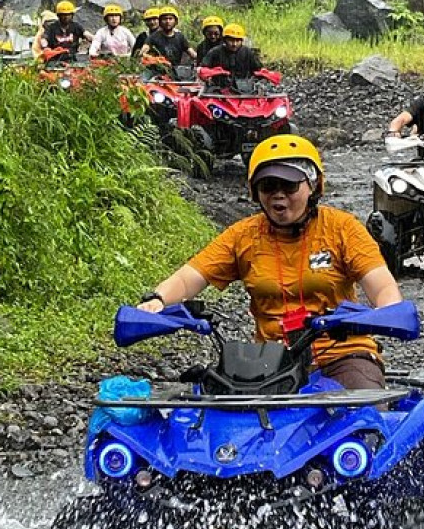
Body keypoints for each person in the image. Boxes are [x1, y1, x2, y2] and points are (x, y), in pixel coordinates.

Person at [137, 135, 402, 390]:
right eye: (268, 186)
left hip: (342, 354)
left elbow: (380, 285)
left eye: (289, 186)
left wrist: (389, 312)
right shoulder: (243, 236)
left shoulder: (343, 228)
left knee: (363, 418)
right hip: (270, 361)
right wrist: (158, 299)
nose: (278, 194)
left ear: (312, 186)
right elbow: (189, 277)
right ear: (255, 191)